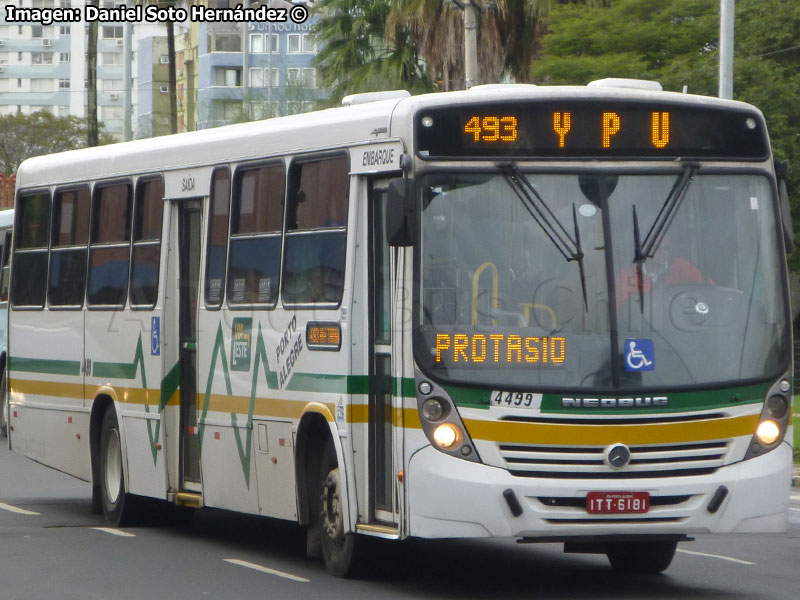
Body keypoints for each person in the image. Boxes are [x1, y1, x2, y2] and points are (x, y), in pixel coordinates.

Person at [615, 233, 710, 306]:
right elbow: (622, 312)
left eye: (666, 248)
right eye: (658, 248)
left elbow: (707, 288)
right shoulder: (627, 277)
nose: (663, 252)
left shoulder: (681, 268)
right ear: (645, 249)